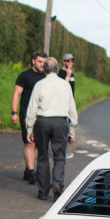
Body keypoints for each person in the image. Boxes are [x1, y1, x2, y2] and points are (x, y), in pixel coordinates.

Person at [25, 58, 78, 201]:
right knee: (59, 156)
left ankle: (43, 192)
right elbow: (72, 108)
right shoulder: (65, 85)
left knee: (42, 156)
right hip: (60, 122)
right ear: (57, 68)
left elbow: (32, 108)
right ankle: (57, 184)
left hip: (42, 121)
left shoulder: (39, 84)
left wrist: (29, 128)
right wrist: (72, 129)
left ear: (44, 69)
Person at [11, 51, 48, 184]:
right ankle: (32, 172)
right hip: (26, 114)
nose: (42, 64)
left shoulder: (46, 77)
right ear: (33, 61)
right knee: (29, 142)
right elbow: (16, 94)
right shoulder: (24, 76)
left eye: (44, 62)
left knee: (37, 143)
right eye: (39, 61)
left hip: (41, 114)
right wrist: (14, 112)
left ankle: (28, 168)